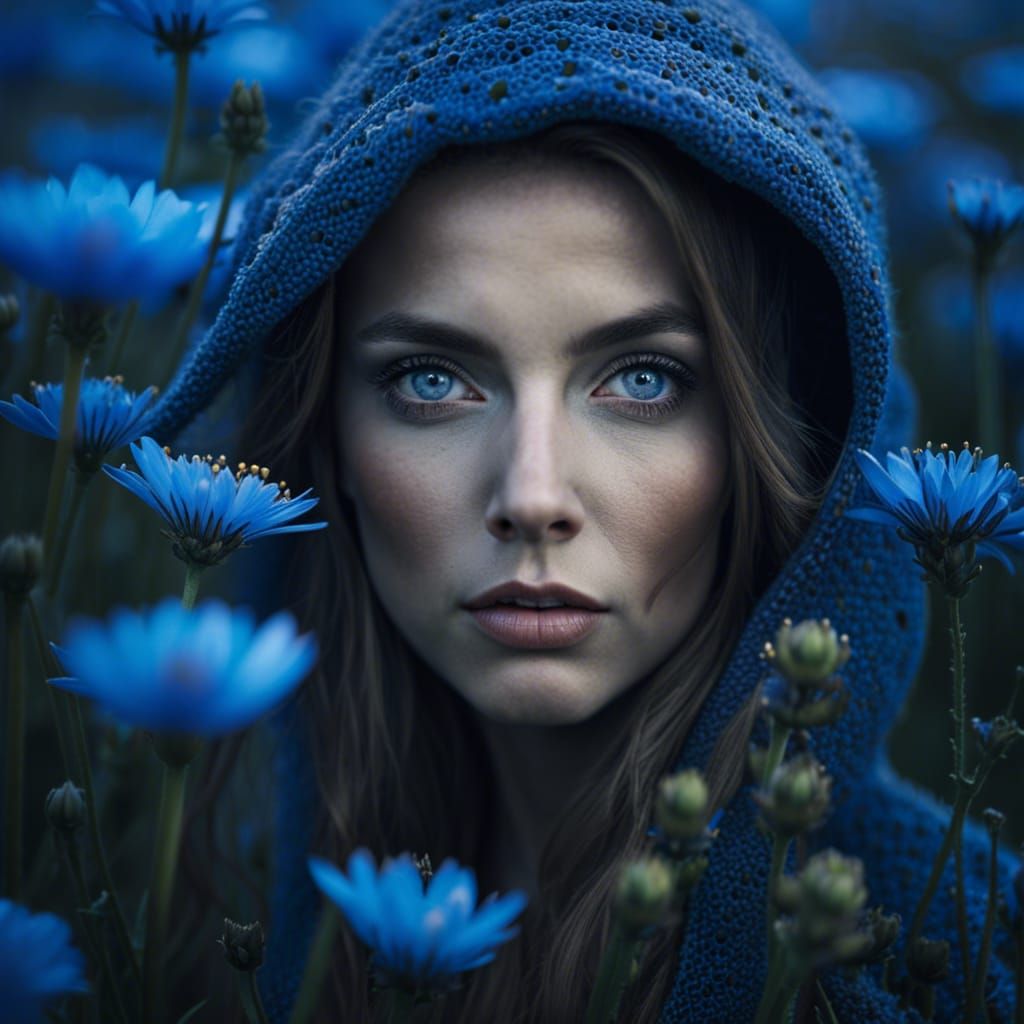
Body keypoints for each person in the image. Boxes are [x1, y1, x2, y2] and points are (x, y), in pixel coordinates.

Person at [143, 0, 1020, 1020]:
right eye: (431, 382)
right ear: (323, 440)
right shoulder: (199, 924)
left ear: (789, 441)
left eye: (643, 380)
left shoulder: (944, 969)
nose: (531, 497)